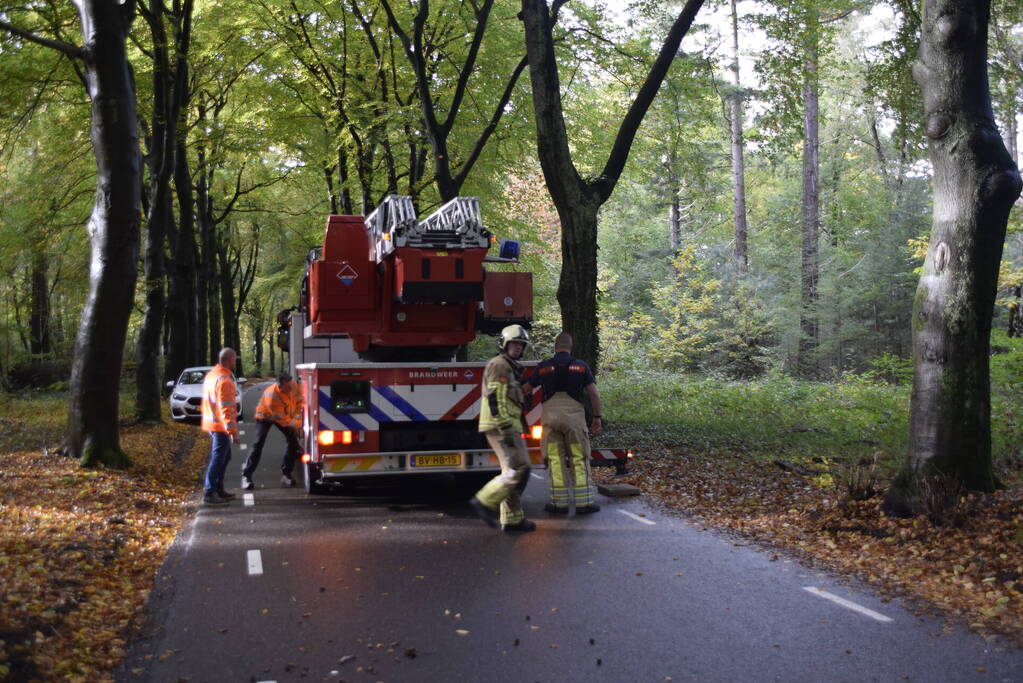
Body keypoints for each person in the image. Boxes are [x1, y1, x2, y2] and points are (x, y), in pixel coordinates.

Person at [524, 331, 602, 515]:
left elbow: (526, 389)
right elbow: (594, 394)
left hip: (550, 420)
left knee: (555, 461)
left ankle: (558, 504)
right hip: (574, 421)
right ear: (570, 347)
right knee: (578, 459)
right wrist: (597, 418)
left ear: (555, 347)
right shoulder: (581, 367)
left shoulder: (543, 367)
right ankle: (584, 504)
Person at [469, 324, 536, 532]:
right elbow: (496, 397)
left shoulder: (509, 367)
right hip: (502, 426)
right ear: (504, 344)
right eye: (514, 343)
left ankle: (512, 518)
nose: (518, 348)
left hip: (506, 425)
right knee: (519, 467)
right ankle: (484, 501)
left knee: (514, 470)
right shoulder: (500, 365)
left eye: (521, 344)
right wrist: (505, 427)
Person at [241, 372, 304, 489]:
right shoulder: (272, 396)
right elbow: (283, 420)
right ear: (280, 386)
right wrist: (297, 425)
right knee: (258, 443)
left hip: (283, 416)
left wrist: (296, 417)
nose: (291, 388)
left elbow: (300, 402)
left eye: (291, 385)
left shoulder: (293, 385)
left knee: (293, 441)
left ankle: (286, 474)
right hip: (265, 417)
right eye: (288, 387)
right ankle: (246, 476)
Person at [201, 348, 241, 506]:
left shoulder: (212, 375)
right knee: (218, 458)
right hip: (220, 426)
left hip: (213, 424)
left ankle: (218, 489)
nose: (236, 362)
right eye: (235, 360)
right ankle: (210, 492)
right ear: (230, 360)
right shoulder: (224, 381)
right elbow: (226, 408)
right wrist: (232, 431)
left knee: (224, 457)